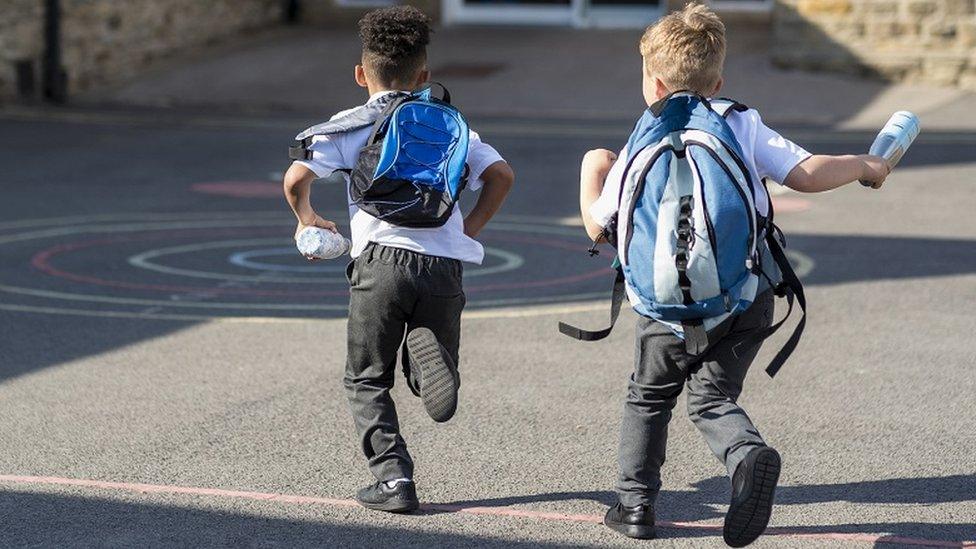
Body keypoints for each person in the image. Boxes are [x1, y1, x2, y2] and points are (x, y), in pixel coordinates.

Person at [576, 3, 889, 545]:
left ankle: (633, 507)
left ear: (652, 83)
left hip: (664, 309)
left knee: (649, 397)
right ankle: (747, 456)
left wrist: (592, 171)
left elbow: (600, 227)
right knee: (712, 400)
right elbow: (806, 174)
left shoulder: (643, 136)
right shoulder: (739, 120)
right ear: (718, 80)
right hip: (744, 297)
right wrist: (864, 164)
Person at [282, 6, 515, 513]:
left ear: (361, 75)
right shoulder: (452, 126)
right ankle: (429, 348)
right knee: (428, 364)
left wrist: (309, 220)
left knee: (365, 376)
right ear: (425, 76)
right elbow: (502, 175)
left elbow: (296, 179)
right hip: (445, 264)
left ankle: (394, 480)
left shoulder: (349, 127)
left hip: (381, 263)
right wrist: (467, 229)